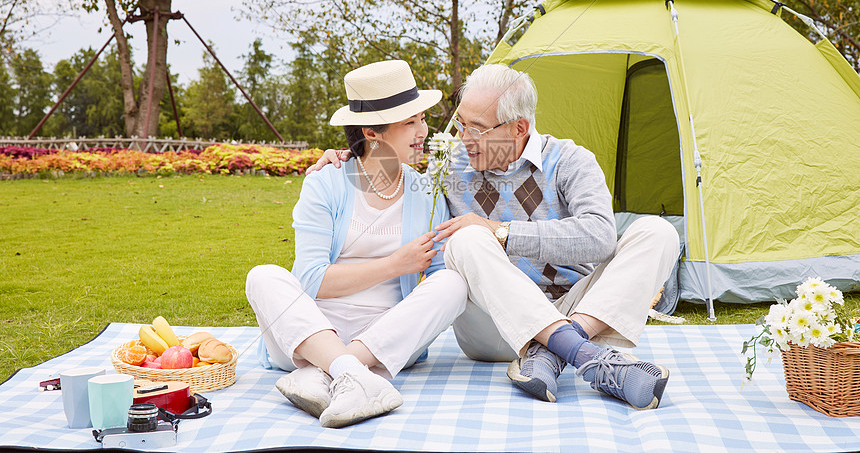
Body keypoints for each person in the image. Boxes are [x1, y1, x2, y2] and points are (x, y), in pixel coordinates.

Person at [310, 63, 679, 410]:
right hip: (490, 325)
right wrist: (348, 154)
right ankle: (582, 354)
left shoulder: (570, 160)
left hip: (570, 308)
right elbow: (386, 157)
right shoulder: (449, 164)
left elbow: (600, 237)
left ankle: (552, 350)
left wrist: (502, 232)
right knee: (467, 237)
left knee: (659, 233)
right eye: (460, 124)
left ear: (518, 129)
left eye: (475, 128)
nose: (461, 137)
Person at [246, 60, 467, 429]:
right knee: (263, 276)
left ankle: (323, 375)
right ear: (372, 132)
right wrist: (394, 265)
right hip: (309, 333)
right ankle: (351, 372)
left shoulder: (426, 190)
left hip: (384, 338)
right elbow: (312, 280)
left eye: (423, 119)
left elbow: (439, 279)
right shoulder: (326, 181)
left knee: (455, 283)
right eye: (409, 122)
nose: (423, 131)